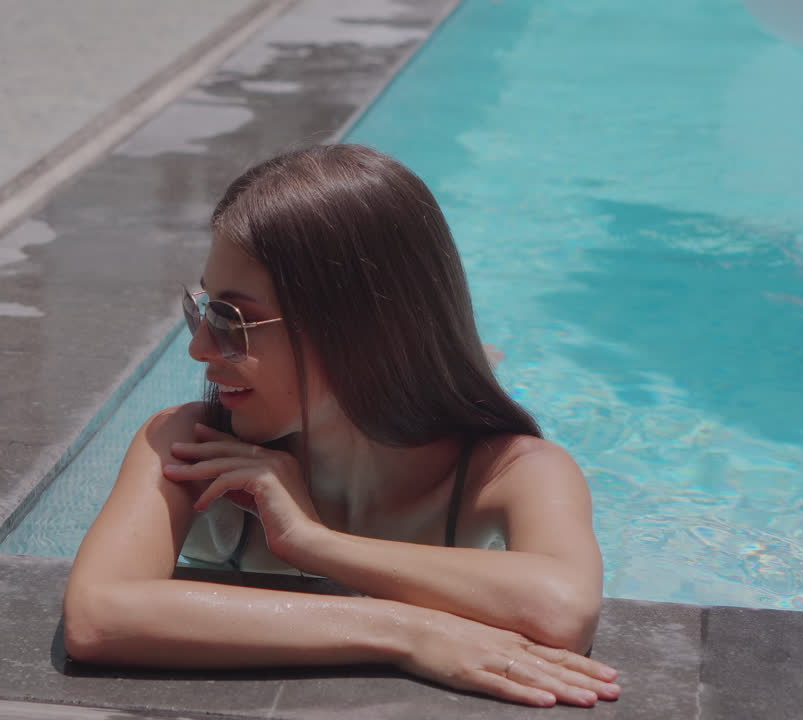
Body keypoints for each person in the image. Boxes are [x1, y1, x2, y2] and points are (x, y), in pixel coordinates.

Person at [63, 144, 620, 708]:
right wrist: (407, 632)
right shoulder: (188, 444)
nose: (199, 348)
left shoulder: (512, 471)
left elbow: (562, 608)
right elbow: (99, 614)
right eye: (203, 308)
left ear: (361, 330)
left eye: (233, 319)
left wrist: (315, 542)